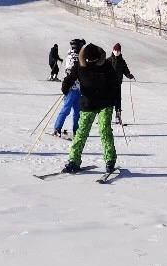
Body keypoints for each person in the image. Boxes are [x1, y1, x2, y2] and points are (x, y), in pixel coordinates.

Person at [59, 43, 120, 174]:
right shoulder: (80, 65)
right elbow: (70, 77)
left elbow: (115, 85)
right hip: (88, 103)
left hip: (105, 103)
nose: (90, 64)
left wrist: (118, 105)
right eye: (88, 62)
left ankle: (110, 160)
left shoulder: (106, 64)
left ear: (98, 58)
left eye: (93, 61)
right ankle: (74, 161)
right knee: (81, 133)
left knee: (104, 130)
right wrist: (65, 87)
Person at [52, 39, 85, 136]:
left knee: (77, 111)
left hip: (78, 88)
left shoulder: (78, 56)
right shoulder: (73, 56)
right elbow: (71, 72)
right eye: (80, 46)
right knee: (66, 109)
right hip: (71, 88)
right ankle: (57, 128)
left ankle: (76, 130)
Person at [107, 42, 135, 122]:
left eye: (118, 51)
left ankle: (118, 115)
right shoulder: (108, 60)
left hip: (117, 83)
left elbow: (126, 70)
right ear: (113, 50)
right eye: (115, 50)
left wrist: (129, 75)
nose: (117, 52)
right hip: (108, 84)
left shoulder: (122, 61)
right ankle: (106, 116)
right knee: (108, 100)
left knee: (117, 99)